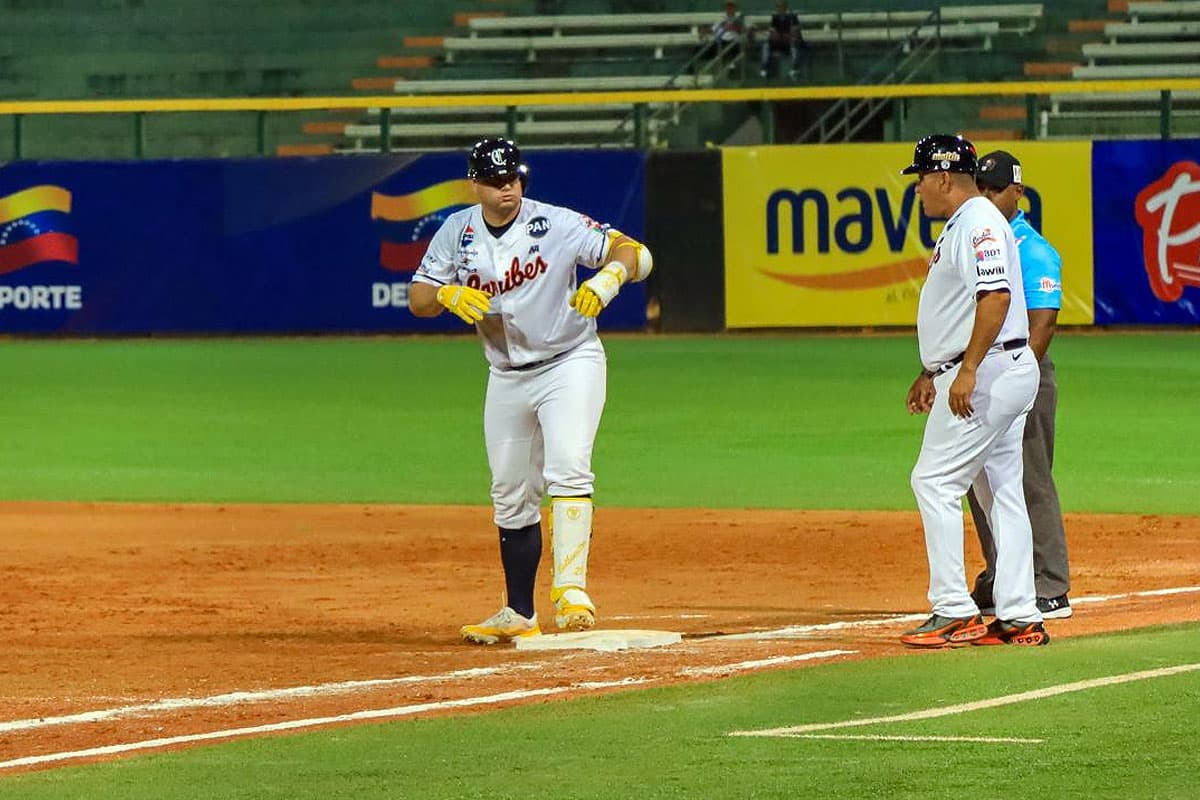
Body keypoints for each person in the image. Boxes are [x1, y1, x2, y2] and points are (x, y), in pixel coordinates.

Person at [408, 138, 654, 645]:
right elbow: (417, 297)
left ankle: (571, 592)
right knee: (510, 493)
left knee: (568, 466)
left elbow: (636, 253)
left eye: (514, 179)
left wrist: (609, 278)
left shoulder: (556, 223)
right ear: (474, 184)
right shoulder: (457, 232)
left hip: (570, 362)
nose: (508, 190)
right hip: (506, 376)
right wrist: (446, 293)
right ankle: (520, 612)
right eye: (497, 182)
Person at [898, 133, 1048, 648]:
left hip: (988, 373)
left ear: (943, 178)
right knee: (1000, 489)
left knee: (934, 481)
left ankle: (954, 609)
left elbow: (996, 296)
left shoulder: (978, 221)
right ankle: (1019, 614)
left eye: (919, 179)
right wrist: (933, 369)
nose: (917, 190)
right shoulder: (970, 222)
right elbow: (964, 308)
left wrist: (965, 371)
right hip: (992, 368)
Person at [967, 150, 1072, 620]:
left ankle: (1050, 584)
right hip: (983, 374)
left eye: (996, 190)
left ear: (1018, 193)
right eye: (981, 189)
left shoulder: (1033, 249)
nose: (987, 197)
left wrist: (1019, 379)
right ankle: (1004, 574)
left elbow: (1043, 324)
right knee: (977, 479)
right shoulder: (977, 241)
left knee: (1027, 477)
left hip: (1023, 372)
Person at [759, 1, 806, 79]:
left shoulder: (792, 17)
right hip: (778, 42)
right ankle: (763, 69)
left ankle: (794, 70)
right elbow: (772, 31)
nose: (780, 8)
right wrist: (775, 34)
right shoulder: (775, 17)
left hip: (789, 42)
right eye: (778, 6)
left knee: (795, 47)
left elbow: (796, 30)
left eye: (782, 6)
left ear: (786, 7)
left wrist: (789, 35)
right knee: (766, 46)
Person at [698, 1, 746, 69]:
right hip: (721, 41)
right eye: (728, 7)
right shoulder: (721, 18)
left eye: (731, 7)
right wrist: (703, 32)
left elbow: (743, 30)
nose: (729, 9)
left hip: (734, 42)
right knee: (704, 49)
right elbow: (713, 29)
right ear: (725, 8)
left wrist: (736, 27)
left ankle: (730, 64)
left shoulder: (739, 19)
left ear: (735, 8)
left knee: (732, 47)